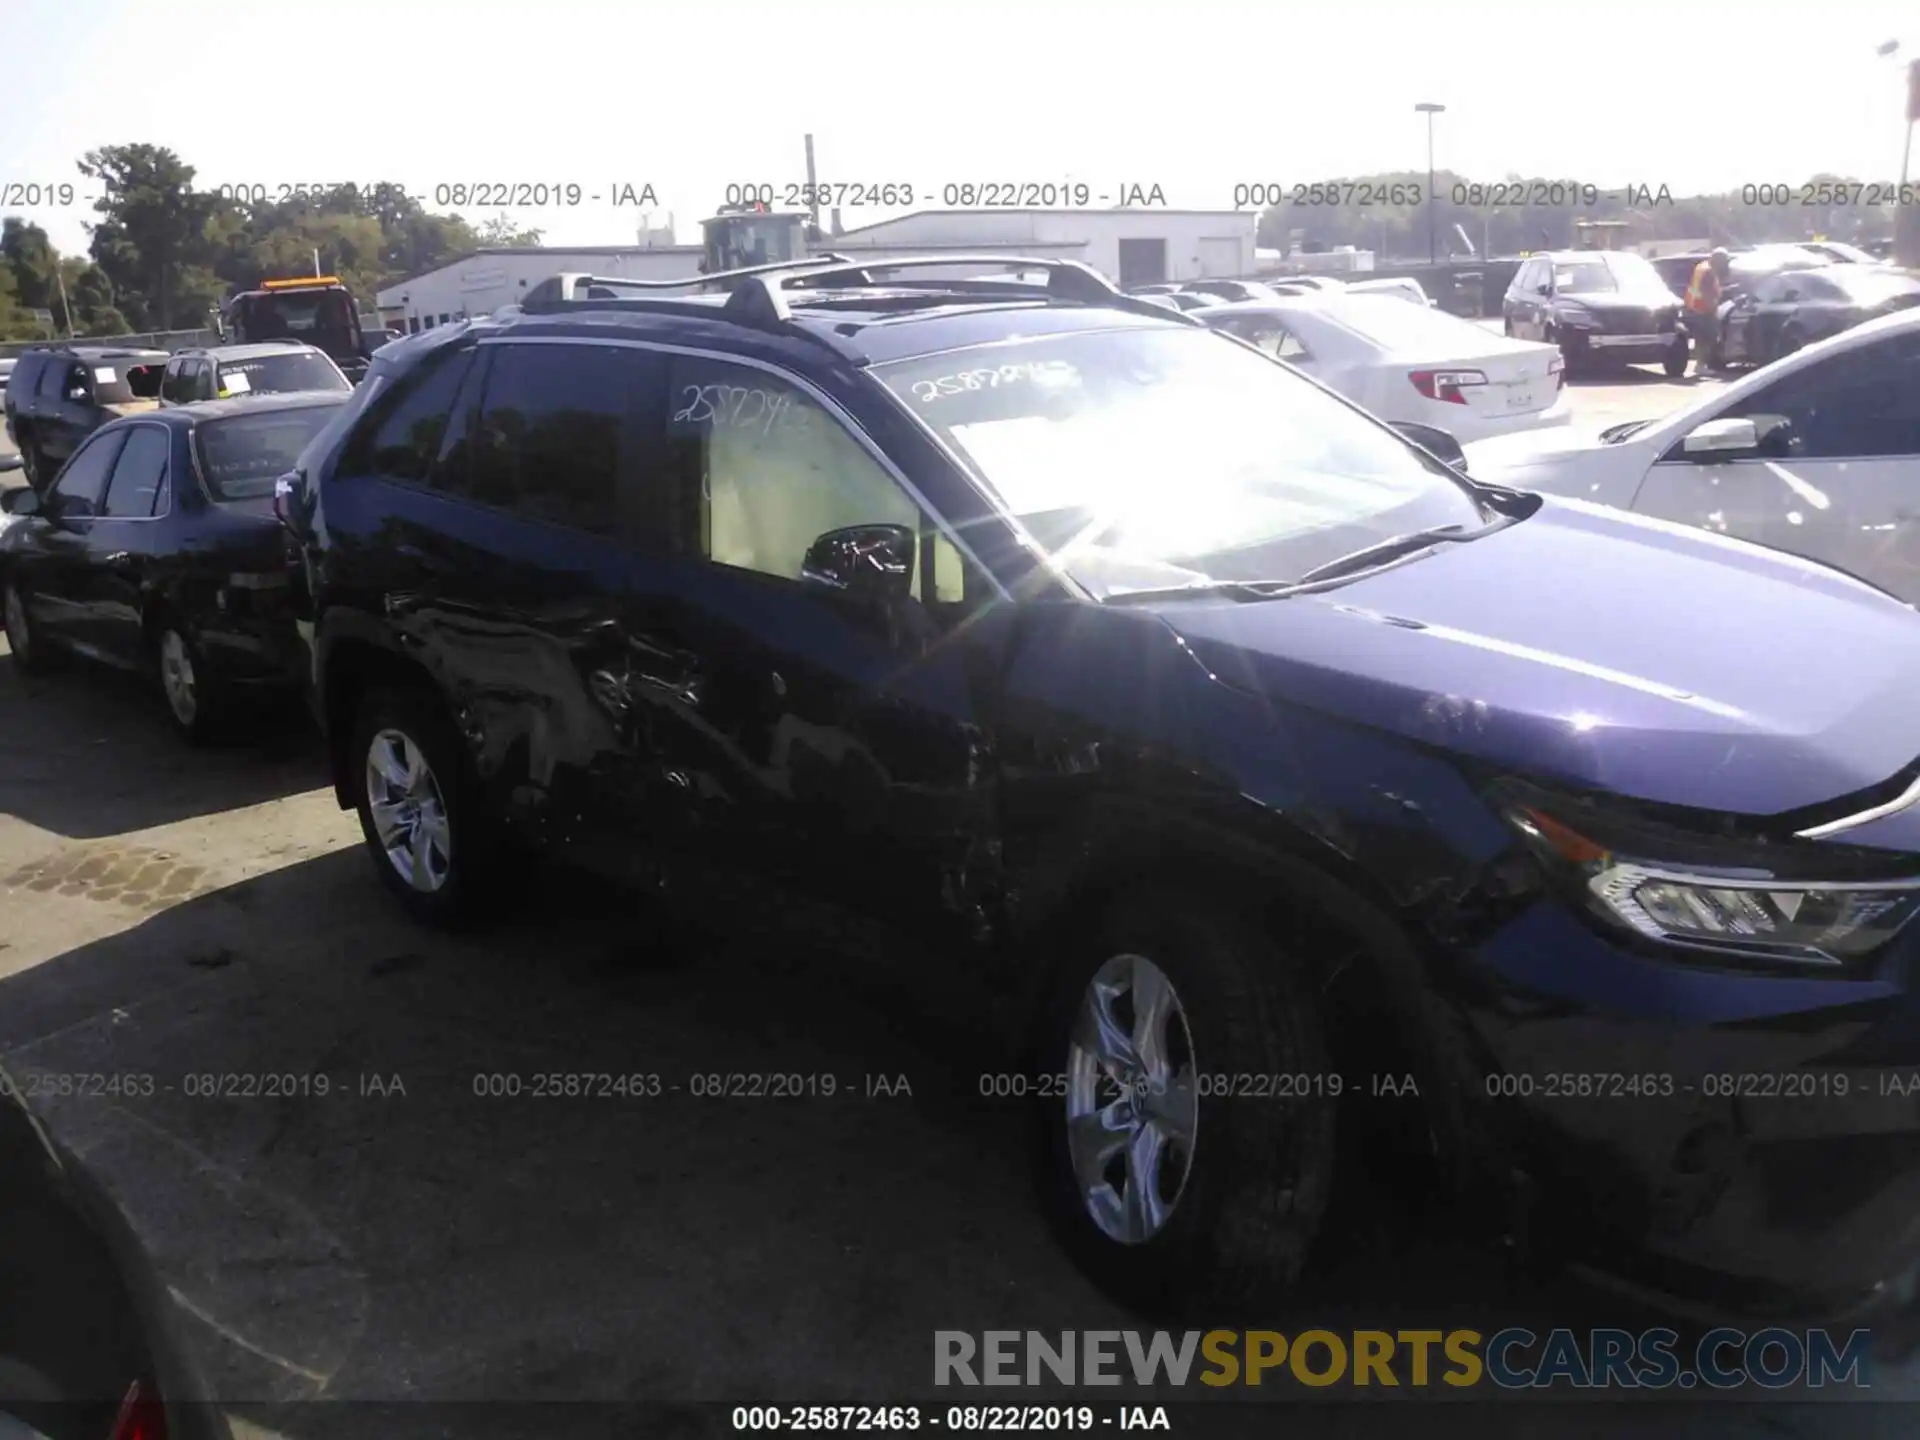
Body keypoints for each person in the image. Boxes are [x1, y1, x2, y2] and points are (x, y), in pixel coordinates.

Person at [1683, 248, 1732, 378]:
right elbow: (1706, 292)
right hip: (1704, 310)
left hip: (1694, 307)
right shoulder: (1709, 272)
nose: (1725, 264)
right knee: (1708, 338)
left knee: (1700, 339)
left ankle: (1700, 365)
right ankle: (1701, 365)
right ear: (1718, 260)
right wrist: (1713, 310)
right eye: (1724, 261)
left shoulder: (1702, 266)